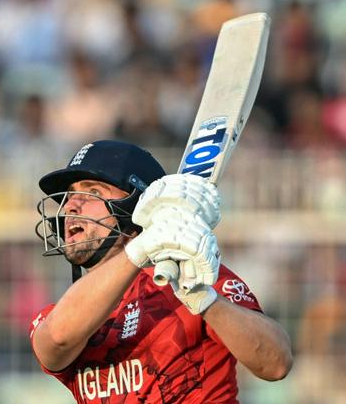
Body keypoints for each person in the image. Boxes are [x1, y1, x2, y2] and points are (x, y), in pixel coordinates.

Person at [30, 140, 293, 403]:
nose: (69, 206)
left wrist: (205, 300)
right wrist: (143, 247)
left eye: (92, 192)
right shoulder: (63, 315)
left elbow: (276, 363)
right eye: (69, 195)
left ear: (137, 205)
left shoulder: (193, 274)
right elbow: (57, 339)